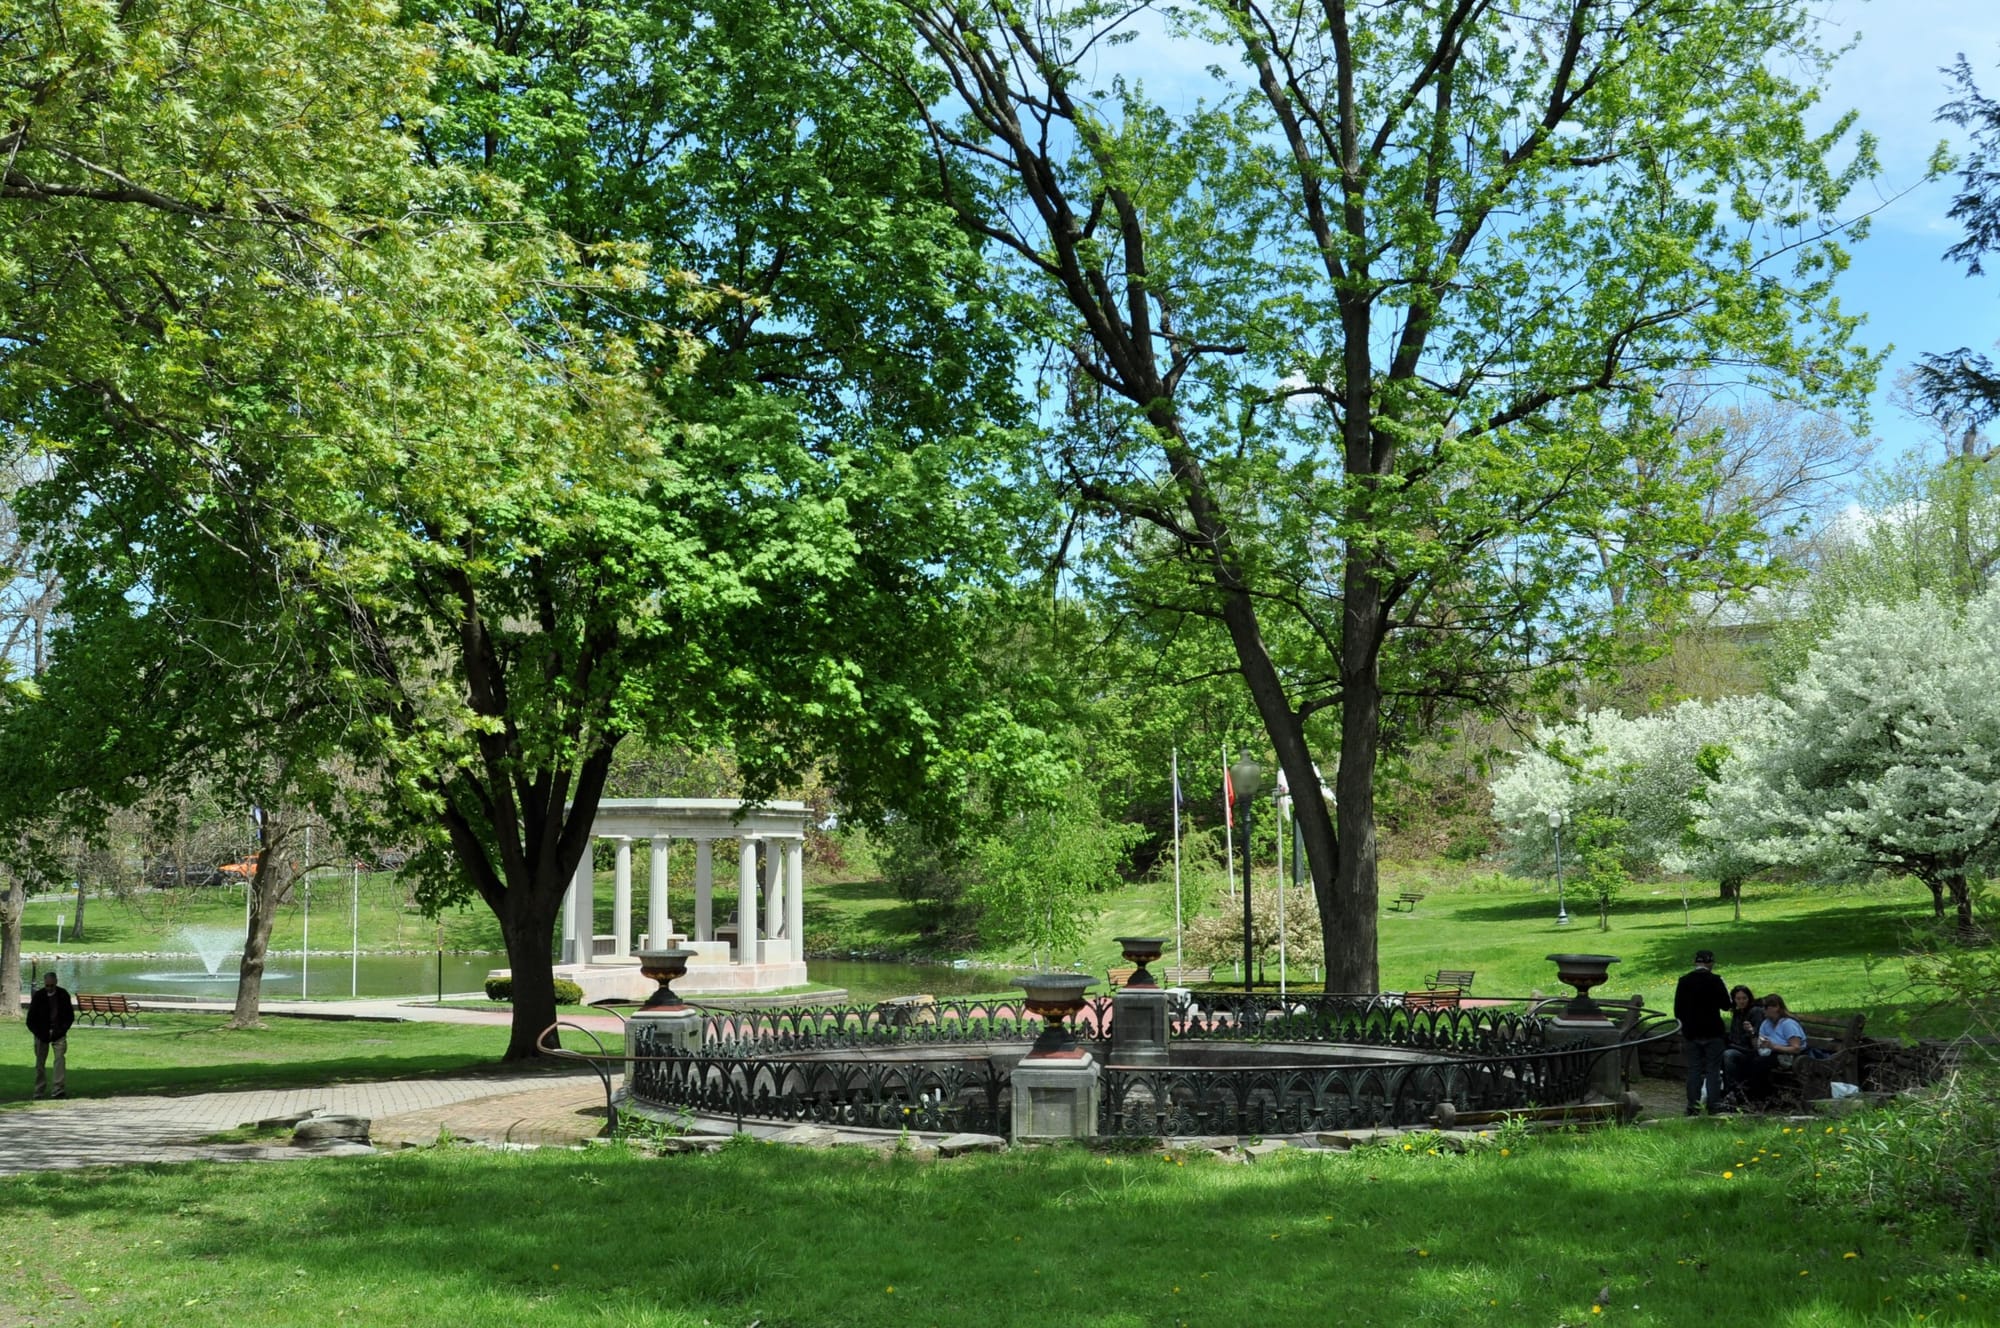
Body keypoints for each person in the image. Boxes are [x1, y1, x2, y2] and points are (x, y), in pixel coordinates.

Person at [1673, 948, 1731, 1115]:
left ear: (1695, 962)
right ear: (1710, 963)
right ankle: (1714, 1105)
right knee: (1713, 1070)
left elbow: (1678, 1010)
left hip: (1692, 1033)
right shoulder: (1715, 980)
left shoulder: (1684, 981)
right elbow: (1726, 1005)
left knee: (1694, 1070)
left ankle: (1693, 1106)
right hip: (1713, 1031)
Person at [27, 971, 74, 1100]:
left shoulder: (63, 995)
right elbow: (30, 1020)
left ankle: (58, 1089)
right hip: (41, 1033)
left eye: (52, 985)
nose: (49, 988)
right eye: (47, 985)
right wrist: (39, 1034)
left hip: (58, 1033)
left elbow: (69, 1017)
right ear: (44, 983)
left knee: (59, 1059)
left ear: (56, 983)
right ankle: (39, 1090)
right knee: (40, 1063)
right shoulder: (39, 996)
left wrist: (61, 1031)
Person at [1722, 985, 1762, 1102]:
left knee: (1728, 1055)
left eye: (1744, 998)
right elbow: (1734, 1034)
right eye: (1738, 999)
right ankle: (1723, 1091)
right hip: (1736, 1047)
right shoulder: (1738, 1013)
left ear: (1749, 998)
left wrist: (1751, 1031)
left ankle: (1733, 1091)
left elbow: (1758, 1035)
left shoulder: (1755, 1011)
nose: (1741, 1001)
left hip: (1749, 1051)